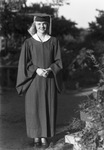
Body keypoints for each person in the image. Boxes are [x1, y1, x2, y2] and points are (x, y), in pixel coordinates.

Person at [16, 13, 63, 148]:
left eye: (44, 24)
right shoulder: (28, 43)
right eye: (39, 24)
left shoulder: (54, 41)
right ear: (35, 25)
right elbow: (25, 63)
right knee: (34, 108)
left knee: (47, 108)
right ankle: (36, 137)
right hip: (33, 81)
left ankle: (44, 137)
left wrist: (51, 69)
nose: (42, 26)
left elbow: (58, 61)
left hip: (48, 81)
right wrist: (36, 69)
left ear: (47, 25)